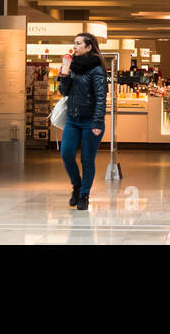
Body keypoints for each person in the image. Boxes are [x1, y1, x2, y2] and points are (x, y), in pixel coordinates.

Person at [57, 32, 107, 210]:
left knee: (87, 159)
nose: (75, 46)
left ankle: (84, 194)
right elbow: (64, 92)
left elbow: (101, 97)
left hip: (90, 120)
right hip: (73, 119)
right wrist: (64, 75)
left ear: (88, 47)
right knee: (66, 153)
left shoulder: (97, 70)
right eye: (74, 43)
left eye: (78, 44)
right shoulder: (72, 66)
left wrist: (98, 122)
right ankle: (76, 186)